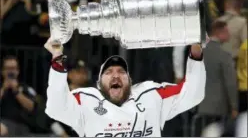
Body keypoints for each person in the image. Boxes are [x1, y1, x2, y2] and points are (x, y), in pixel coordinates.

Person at [44, 37, 206, 137]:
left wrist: (196, 53)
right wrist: (57, 57)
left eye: (121, 72)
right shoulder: (85, 100)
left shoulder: (150, 95)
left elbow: (192, 94)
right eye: (109, 72)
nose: (115, 75)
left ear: (130, 81)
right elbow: (56, 107)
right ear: (99, 84)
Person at [195, 20, 238, 136]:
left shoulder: (197, 52)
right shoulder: (224, 54)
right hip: (218, 108)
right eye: (227, 32)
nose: (229, 35)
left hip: (197, 106)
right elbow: (231, 83)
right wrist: (234, 106)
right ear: (219, 32)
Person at [0, 56, 38, 136]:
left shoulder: (25, 87)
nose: (11, 71)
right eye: (8, 68)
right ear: (2, 71)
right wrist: (3, 89)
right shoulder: (1, 87)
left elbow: (31, 107)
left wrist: (16, 91)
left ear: (17, 71)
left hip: (20, 126)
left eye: (13, 68)